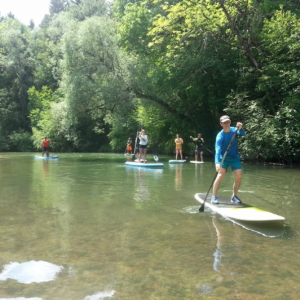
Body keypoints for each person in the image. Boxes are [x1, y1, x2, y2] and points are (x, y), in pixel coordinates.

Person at [211, 115, 245, 205]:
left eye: (228, 122)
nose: (227, 124)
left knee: (239, 176)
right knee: (220, 176)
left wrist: (241, 128)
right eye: (224, 123)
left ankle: (234, 196)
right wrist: (217, 163)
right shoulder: (220, 136)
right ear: (221, 124)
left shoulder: (234, 130)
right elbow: (217, 150)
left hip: (235, 158)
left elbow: (242, 133)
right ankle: (213, 196)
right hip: (224, 159)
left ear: (230, 122)